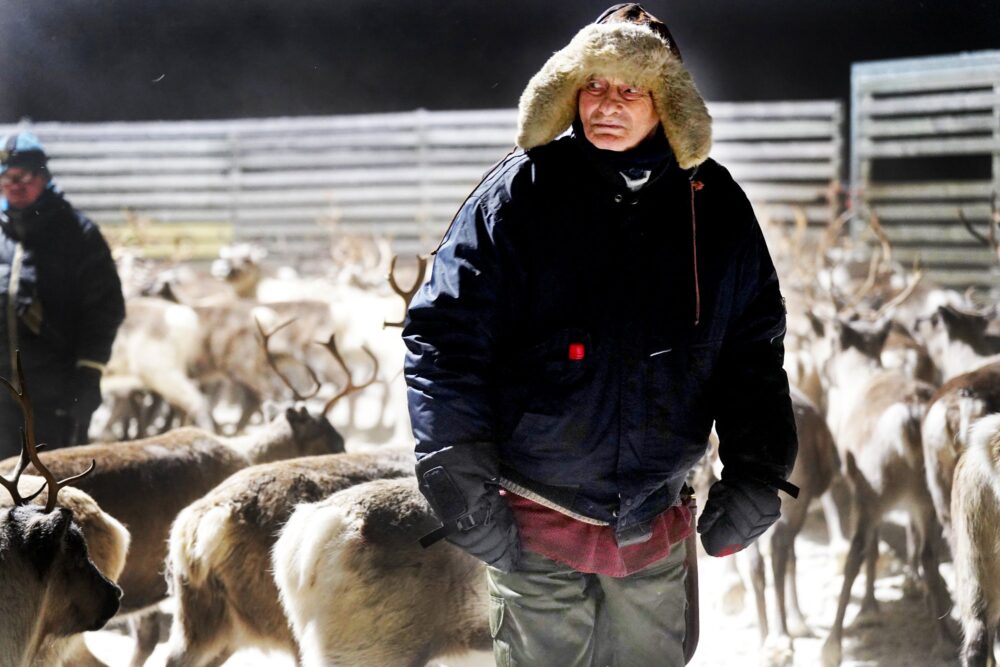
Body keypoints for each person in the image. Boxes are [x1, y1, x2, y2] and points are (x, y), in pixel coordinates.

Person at [404, 5, 798, 666]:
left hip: (655, 523)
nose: (607, 104)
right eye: (594, 85)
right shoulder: (519, 195)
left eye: (630, 88)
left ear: (667, 101)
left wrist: (758, 469)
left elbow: (750, 348)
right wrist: (457, 477)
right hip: (533, 523)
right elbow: (445, 337)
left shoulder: (714, 204)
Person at [0, 131, 125, 453]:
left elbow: (105, 307)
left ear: (43, 176)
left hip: (55, 396)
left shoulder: (76, 234)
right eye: (5, 176)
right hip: (0, 398)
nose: (14, 184)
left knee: (50, 492)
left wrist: (90, 371)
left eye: (23, 176)